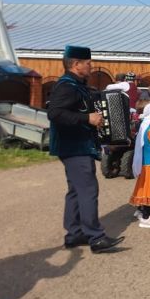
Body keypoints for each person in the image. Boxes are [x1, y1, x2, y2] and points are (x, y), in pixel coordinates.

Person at [47, 45, 124, 253]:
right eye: (88, 63)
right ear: (75, 64)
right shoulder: (66, 86)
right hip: (74, 147)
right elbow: (54, 113)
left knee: (75, 190)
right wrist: (87, 118)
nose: (91, 66)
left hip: (77, 146)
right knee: (88, 189)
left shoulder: (77, 85)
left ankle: (74, 234)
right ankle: (96, 237)